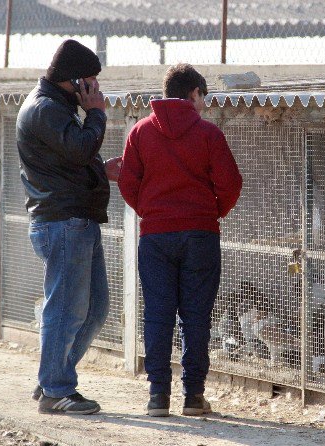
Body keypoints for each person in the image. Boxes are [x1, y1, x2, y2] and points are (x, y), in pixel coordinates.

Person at [118, 63, 242, 417]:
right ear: (194, 95)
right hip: (200, 234)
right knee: (196, 316)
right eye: (203, 97)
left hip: (155, 236)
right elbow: (231, 182)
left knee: (158, 314)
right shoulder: (208, 134)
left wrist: (150, 210)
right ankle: (193, 396)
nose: (203, 104)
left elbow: (127, 182)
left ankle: (158, 397)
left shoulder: (140, 132)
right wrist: (213, 212)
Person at [16, 39, 122, 415]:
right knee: (66, 308)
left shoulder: (54, 107)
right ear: (75, 81)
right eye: (90, 82)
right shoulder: (46, 108)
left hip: (75, 220)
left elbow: (69, 162)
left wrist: (101, 170)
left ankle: (52, 377)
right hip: (63, 223)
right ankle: (56, 388)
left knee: (94, 308)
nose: (95, 90)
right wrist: (96, 113)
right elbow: (78, 150)